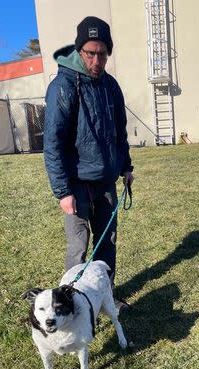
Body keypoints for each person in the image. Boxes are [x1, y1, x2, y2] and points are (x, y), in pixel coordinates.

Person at [44, 16, 134, 303]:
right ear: (79, 50)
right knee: (79, 246)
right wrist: (63, 192)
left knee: (107, 243)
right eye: (90, 53)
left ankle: (107, 295)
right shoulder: (63, 87)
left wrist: (126, 166)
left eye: (102, 54)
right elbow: (53, 144)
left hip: (106, 181)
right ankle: (73, 303)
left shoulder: (111, 87)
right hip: (77, 184)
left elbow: (119, 133)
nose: (97, 60)